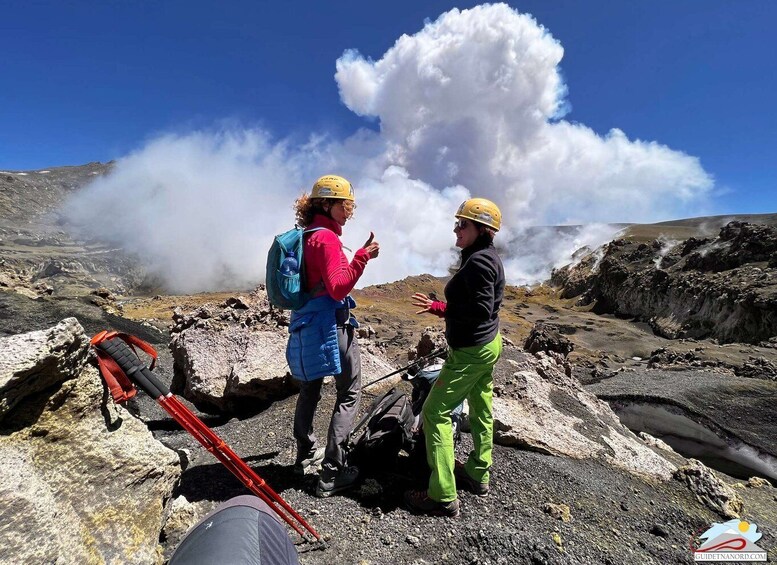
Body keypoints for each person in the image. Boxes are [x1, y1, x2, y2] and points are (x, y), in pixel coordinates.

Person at [404, 197, 505, 517]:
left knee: (435, 413)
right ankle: (478, 472)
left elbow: (479, 310)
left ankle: (442, 495)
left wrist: (448, 313)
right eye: (457, 223)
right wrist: (440, 308)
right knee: (481, 406)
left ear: (482, 229)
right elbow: (480, 308)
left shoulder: (479, 263)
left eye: (463, 224)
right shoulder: (485, 257)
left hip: (471, 352)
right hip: (487, 346)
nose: (456, 229)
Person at [287, 174, 379, 498]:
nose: (348, 213)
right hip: (332, 325)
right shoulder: (325, 239)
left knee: (309, 388)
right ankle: (331, 473)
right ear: (326, 203)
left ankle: (303, 454)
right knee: (350, 393)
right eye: (344, 206)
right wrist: (362, 258)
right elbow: (339, 285)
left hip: (305, 324)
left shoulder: (305, 235)